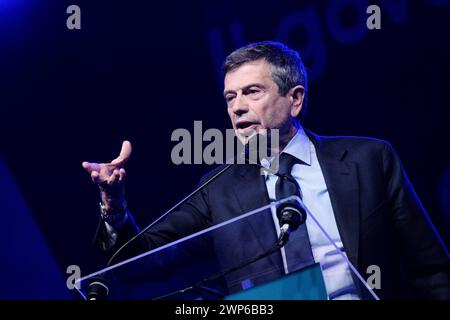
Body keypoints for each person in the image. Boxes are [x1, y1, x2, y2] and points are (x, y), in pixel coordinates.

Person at [82, 41, 450, 300]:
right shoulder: (218, 187)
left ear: (295, 99)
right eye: (230, 97)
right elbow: (137, 259)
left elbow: (430, 269)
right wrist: (113, 205)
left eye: (252, 92)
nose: (237, 108)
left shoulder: (369, 159)